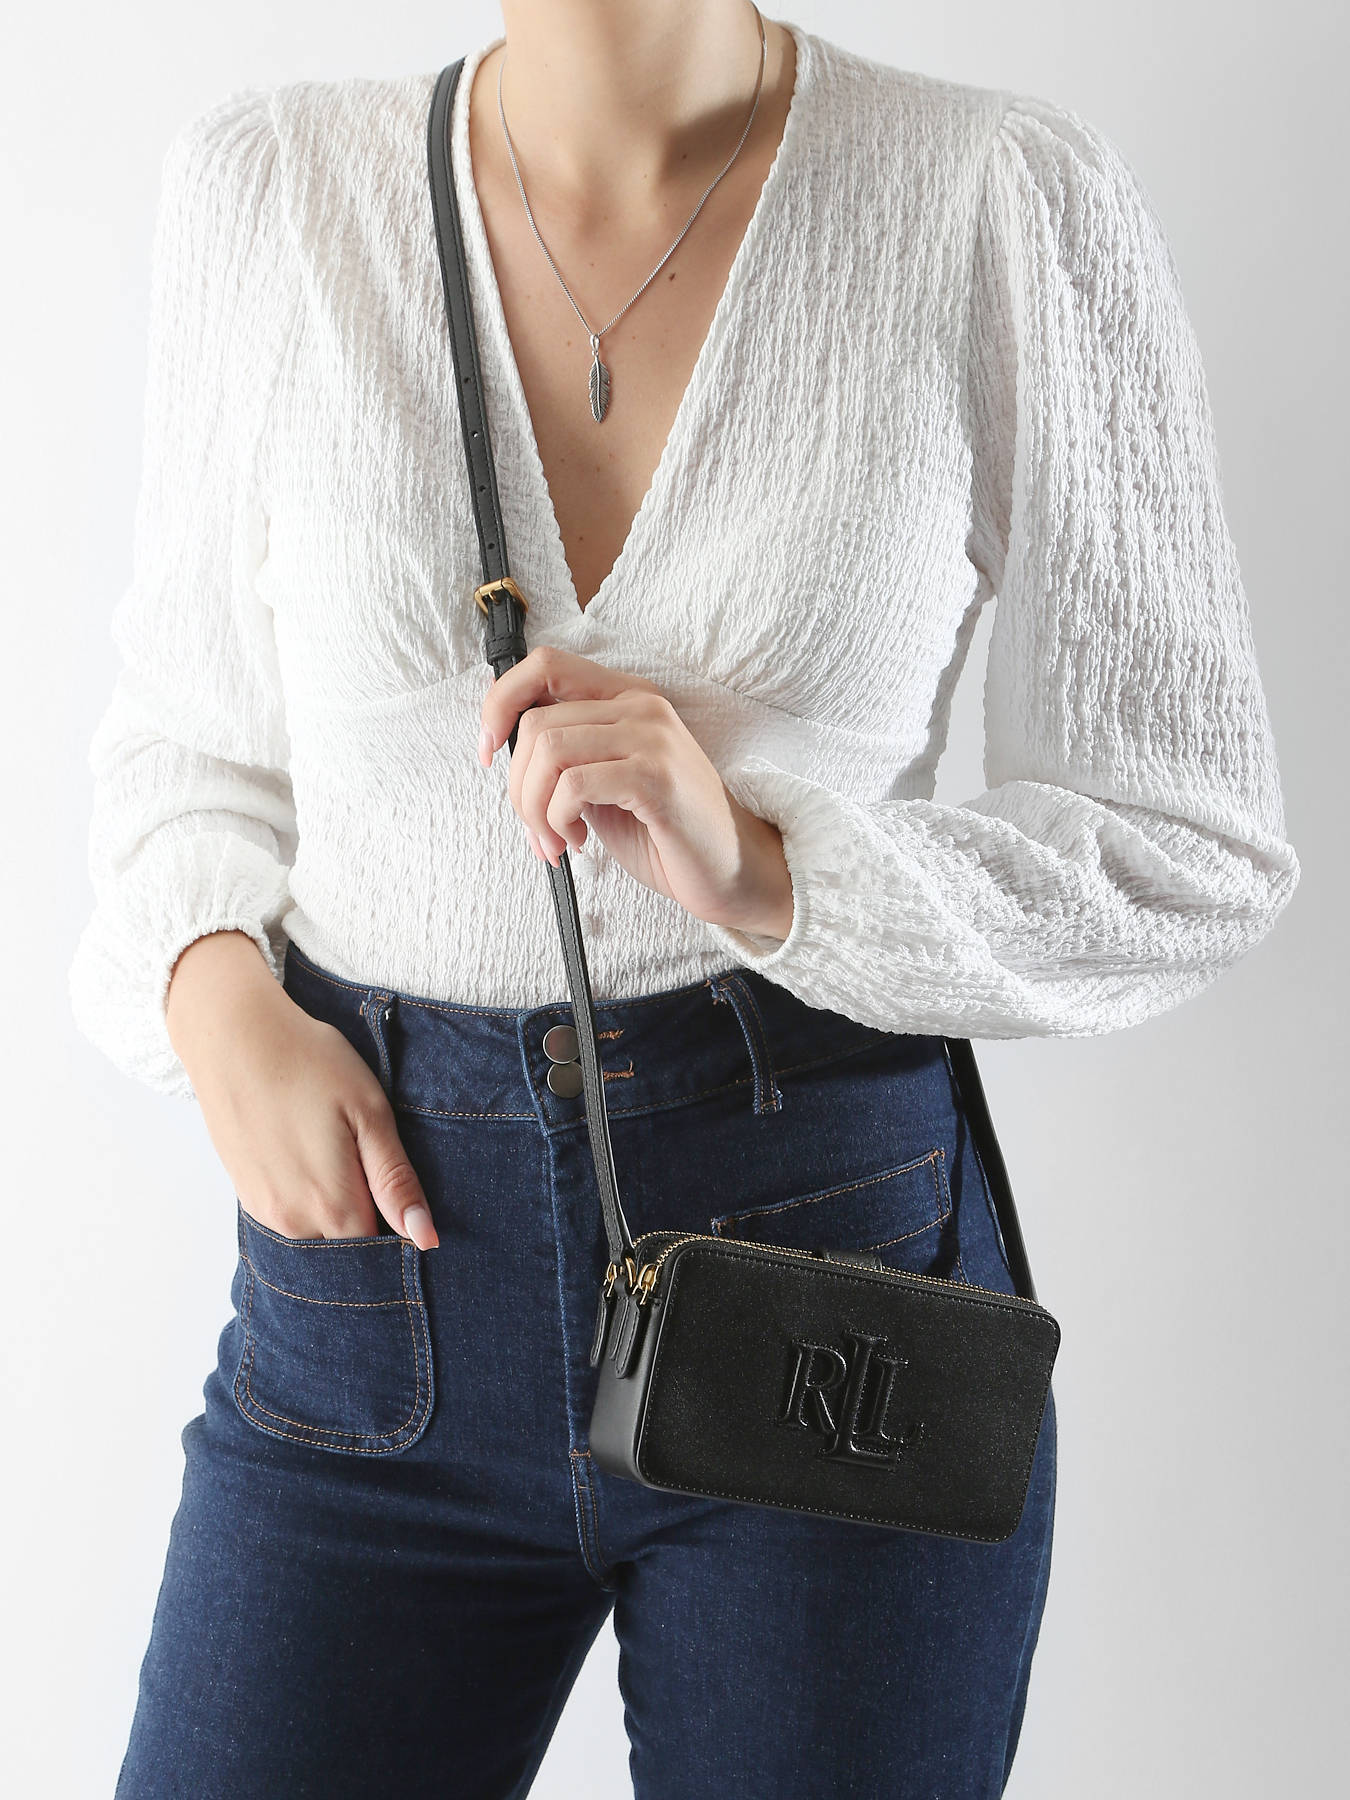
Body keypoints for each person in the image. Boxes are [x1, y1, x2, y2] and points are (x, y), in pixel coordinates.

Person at [70, 3, 1299, 1795]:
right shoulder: (273, 186)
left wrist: (772, 865)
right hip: (368, 1301)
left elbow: (1188, 840)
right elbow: (184, 745)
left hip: (822, 1306)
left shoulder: (995, 194)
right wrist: (209, 989)